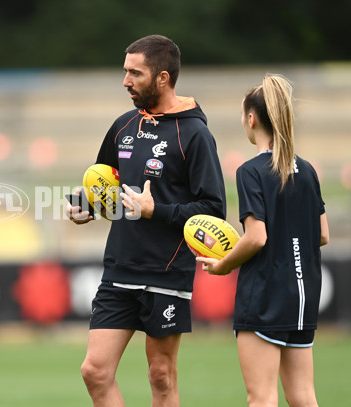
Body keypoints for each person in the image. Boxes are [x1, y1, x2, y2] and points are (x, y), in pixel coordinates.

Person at [67, 35, 226, 406]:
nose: (125, 81)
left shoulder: (195, 135)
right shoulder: (123, 125)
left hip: (167, 273)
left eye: (135, 73)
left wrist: (157, 210)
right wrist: (84, 207)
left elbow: (213, 210)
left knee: (161, 377)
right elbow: (102, 183)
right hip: (119, 269)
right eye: (125, 71)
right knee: (95, 371)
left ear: (163, 78)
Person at [196, 74, 329, 407]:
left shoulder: (250, 171)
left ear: (251, 119)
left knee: (261, 398)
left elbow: (256, 237)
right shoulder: (309, 170)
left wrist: (223, 265)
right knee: (303, 396)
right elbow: (322, 234)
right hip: (303, 297)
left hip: (266, 295)